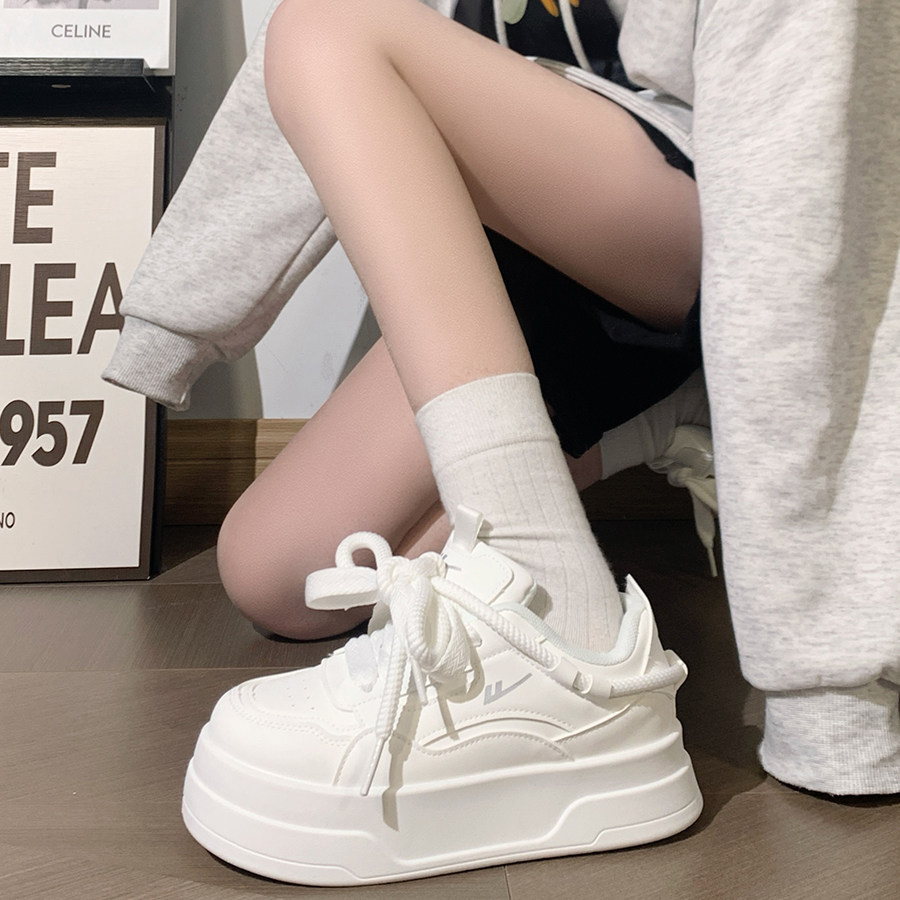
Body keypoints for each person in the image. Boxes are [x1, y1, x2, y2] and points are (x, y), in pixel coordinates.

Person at [103, 0, 900, 885]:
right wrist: (170, 332)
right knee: (275, 574)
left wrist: (833, 706)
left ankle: (563, 618)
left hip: (717, 208)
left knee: (325, 28)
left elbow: (813, 204)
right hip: (547, 235)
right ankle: (657, 419)